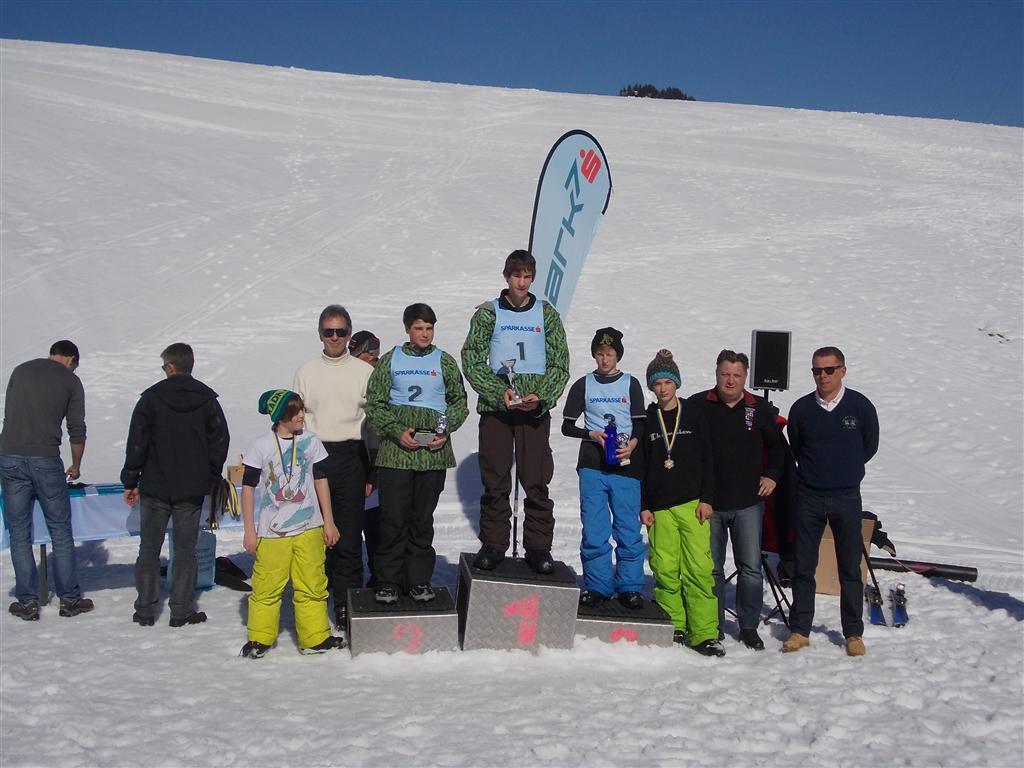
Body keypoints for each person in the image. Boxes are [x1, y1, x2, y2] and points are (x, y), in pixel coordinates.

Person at [461, 249, 570, 573]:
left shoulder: (546, 314)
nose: (521, 283)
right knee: (495, 479)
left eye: (527, 277)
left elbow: (560, 364)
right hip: (498, 409)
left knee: (535, 480)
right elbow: (472, 359)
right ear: (506, 277)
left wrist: (542, 396)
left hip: (533, 411)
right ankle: (494, 544)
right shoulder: (488, 314)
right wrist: (499, 392)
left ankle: (538, 547)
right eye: (516, 276)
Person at [120, 343, 230, 627]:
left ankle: (145, 610)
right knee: (185, 551)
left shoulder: (151, 398)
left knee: (149, 549)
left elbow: (137, 442)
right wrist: (210, 475)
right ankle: (181, 610)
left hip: (155, 485)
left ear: (170, 367)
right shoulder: (207, 399)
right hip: (191, 488)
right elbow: (220, 440)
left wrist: (131, 479)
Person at [365, 304, 468, 603]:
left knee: (422, 520)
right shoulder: (391, 360)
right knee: (393, 518)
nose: (424, 334)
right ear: (407, 329)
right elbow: (375, 404)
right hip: (397, 453)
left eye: (429, 328)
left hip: (432, 454)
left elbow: (458, 402)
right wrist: (397, 431)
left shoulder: (444, 361)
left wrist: (444, 430)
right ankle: (388, 581)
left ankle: (418, 579)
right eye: (419, 328)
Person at [782, 347, 879, 657]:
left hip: (846, 496)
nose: (822, 376)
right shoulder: (801, 409)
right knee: (803, 567)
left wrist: (846, 470)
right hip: (809, 496)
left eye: (828, 370)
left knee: (849, 568)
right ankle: (800, 630)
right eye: (817, 371)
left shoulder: (860, 407)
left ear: (842, 371)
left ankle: (853, 633)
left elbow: (869, 446)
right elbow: (797, 446)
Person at [687, 350, 784, 651]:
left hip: (748, 504)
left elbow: (778, 448)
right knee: (712, 568)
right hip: (710, 503)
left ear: (745, 377)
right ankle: (712, 624)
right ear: (716, 374)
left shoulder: (758, 408)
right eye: (725, 374)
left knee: (751, 568)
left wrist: (772, 475)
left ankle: (749, 626)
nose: (730, 380)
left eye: (736, 375)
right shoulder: (698, 405)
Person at [238, 390, 344, 658]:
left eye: (302, 410)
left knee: (313, 584)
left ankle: (315, 638)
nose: (301, 416)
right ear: (280, 416)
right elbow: (248, 489)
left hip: (309, 527)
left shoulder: (310, 441)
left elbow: (321, 480)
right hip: (272, 532)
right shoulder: (260, 445)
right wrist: (249, 530)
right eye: (295, 412)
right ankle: (260, 638)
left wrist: (329, 522)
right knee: (266, 586)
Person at [293, 305, 373, 629]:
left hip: (352, 455)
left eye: (341, 331)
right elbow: (296, 420)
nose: (335, 337)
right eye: (329, 332)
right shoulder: (306, 372)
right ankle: (316, 603)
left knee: (349, 536)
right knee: (317, 536)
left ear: (349, 334)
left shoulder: (363, 372)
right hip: (315, 456)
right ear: (320, 335)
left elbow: (375, 423)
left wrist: (372, 470)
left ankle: (346, 604)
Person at [0, 340, 93, 620]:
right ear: (72, 359)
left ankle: (27, 602)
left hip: (9, 456)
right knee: (60, 530)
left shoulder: (20, 371)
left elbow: (9, 415)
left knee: (19, 531)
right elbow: (76, 429)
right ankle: (69, 599)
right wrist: (76, 465)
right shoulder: (70, 381)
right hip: (45, 458)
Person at [640, 350, 724, 657]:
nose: (662, 389)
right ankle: (672, 623)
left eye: (667, 382)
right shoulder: (648, 419)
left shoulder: (694, 415)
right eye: (657, 383)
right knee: (664, 568)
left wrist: (707, 498)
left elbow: (708, 459)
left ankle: (704, 633)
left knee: (699, 569)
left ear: (676, 383)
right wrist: (644, 505)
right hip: (660, 508)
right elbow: (642, 465)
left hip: (692, 504)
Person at [561, 327, 646, 609]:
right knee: (595, 530)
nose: (605, 359)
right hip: (592, 466)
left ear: (617, 355)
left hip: (625, 466)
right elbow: (567, 426)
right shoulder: (583, 384)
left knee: (628, 530)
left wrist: (633, 443)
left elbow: (641, 423)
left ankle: (630, 586)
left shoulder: (630, 383)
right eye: (600, 354)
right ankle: (597, 585)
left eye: (609, 354)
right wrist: (591, 434)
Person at [349, 330, 382, 587]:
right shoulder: (347, 376)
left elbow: (377, 433)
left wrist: (374, 473)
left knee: (375, 526)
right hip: (351, 459)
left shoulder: (379, 379)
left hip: (375, 461)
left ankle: (378, 575)